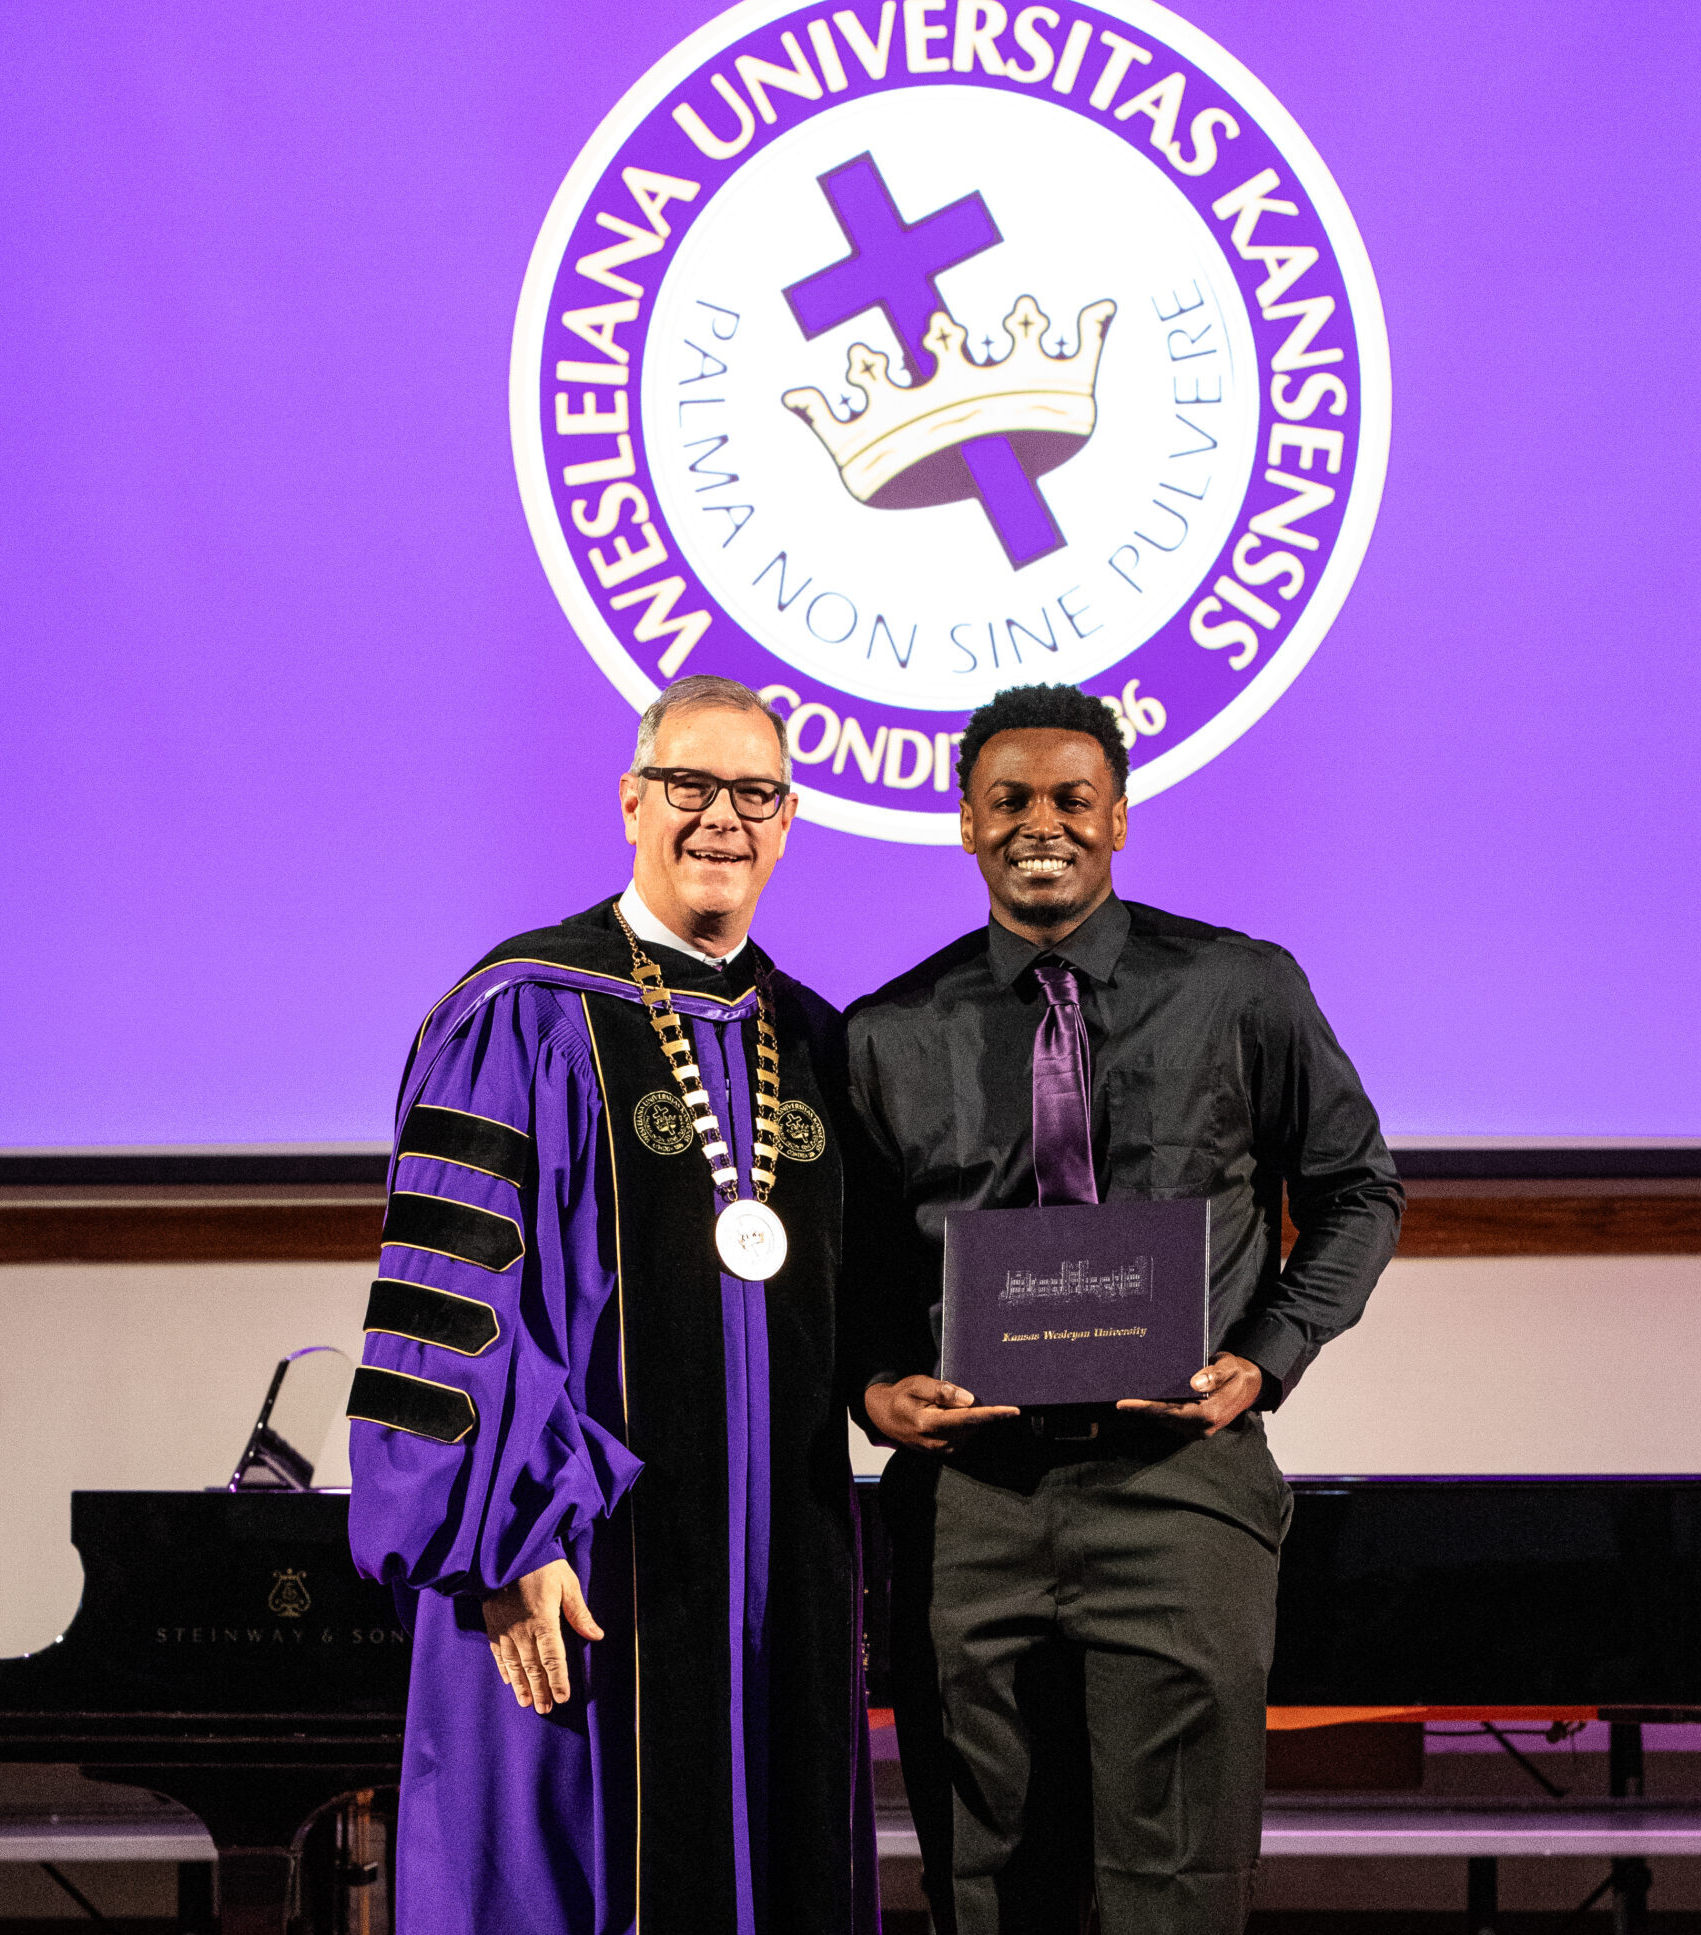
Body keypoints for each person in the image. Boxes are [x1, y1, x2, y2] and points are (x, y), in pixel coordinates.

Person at [845, 682, 1403, 1935]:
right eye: (1010, 800)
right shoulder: (887, 1031)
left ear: (1120, 819)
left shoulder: (1239, 988)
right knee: (983, 1883)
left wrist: (1264, 1357)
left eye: (1071, 799)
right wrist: (875, 1390)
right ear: (966, 823)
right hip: (968, 1509)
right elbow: (859, 1272)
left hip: (1180, 1487)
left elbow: (1360, 1190)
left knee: (1175, 1886)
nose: (1042, 823)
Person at [347, 675, 877, 1935]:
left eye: (754, 793)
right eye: (689, 786)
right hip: (573, 1566)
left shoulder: (807, 1036)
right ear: (634, 801)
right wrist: (504, 1538)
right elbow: (447, 1295)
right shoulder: (524, 1011)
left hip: (770, 1584)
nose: (720, 820)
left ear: (788, 819)